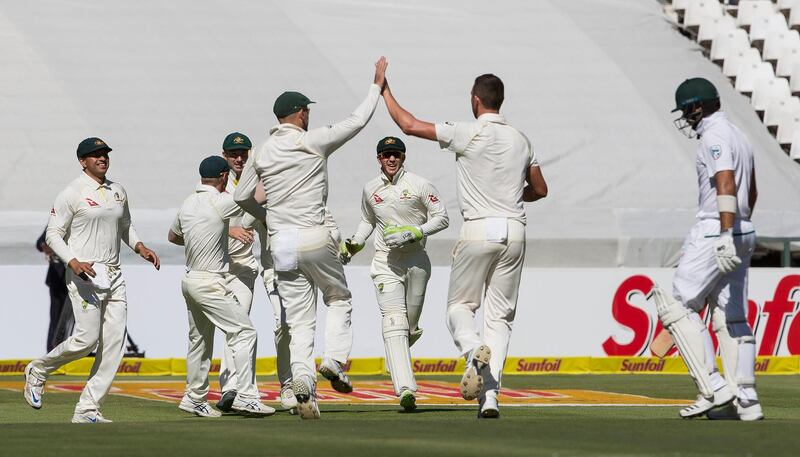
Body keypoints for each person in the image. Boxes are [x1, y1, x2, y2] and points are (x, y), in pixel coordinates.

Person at [380, 70, 548, 418]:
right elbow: (540, 190)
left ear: (475, 100)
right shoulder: (522, 139)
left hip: (478, 227)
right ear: (501, 100)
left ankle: (473, 352)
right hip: (515, 229)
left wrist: (384, 90)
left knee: (459, 308)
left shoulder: (467, 131)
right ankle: (490, 398)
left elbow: (409, 125)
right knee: (500, 318)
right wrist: (512, 193)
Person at [234, 57, 388, 419]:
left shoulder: (261, 150)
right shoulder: (313, 141)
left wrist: (268, 217)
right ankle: (334, 360)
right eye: (307, 111)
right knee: (338, 297)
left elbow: (241, 197)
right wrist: (375, 86)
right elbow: (357, 121)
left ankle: (302, 378)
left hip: (281, 242)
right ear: (301, 114)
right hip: (315, 235)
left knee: (298, 319)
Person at [24, 137, 161, 423]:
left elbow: (126, 226)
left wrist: (140, 247)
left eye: (105, 154)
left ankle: (88, 408)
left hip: (114, 274)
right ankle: (38, 369)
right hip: (84, 273)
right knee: (86, 341)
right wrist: (73, 261)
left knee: (114, 344)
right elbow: (52, 235)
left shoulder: (118, 191)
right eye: (95, 155)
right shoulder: (71, 193)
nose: (102, 158)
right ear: (82, 161)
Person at [650, 77, 762, 421]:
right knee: (732, 317)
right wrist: (738, 230)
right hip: (742, 226)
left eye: (687, 110)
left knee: (677, 304)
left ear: (697, 107)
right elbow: (752, 190)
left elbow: (725, 179)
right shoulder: (739, 134)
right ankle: (745, 400)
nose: (686, 117)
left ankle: (713, 388)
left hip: (718, 227)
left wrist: (725, 232)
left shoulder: (714, 135)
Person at [340, 136, 448, 411]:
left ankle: (397, 355)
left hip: (416, 259)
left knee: (408, 327)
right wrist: (355, 243)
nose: (391, 159)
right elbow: (368, 220)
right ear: (378, 159)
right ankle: (405, 389)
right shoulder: (370, 189)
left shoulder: (419, 184)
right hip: (386, 262)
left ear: (403, 157)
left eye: (396, 154)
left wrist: (417, 231)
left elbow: (442, 217)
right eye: (386, 155)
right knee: (394, 321)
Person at [168, 156, 275, 418]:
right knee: (244, 333)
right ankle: (246, 396)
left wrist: (204, 239)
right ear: (224, 177)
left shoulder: (188, 203)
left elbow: (173, 237)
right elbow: (255, 196)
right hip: (210, 282)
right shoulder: (221, 202)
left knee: (199, 342)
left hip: (190, 279)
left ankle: (194, 398)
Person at [214, 132, 267, 412]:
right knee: (227, 329)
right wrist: (231, 229)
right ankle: (205, 392)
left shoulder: (258, 184)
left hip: (244, 269)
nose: (239, 158)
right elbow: (199, 221)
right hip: (216, 268)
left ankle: (234, 389)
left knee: (239, 325)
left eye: (243, 153)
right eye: (233, 154)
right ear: (224, 156)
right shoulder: (215, 181)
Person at [36, 228, 70, 351]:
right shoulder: (55, 220)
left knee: (75, 319)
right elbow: (39, 243)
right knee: (56, 317)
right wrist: (45, 246)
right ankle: (52, 353)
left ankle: (68, 350)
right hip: (57, 279)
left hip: (75, 279)